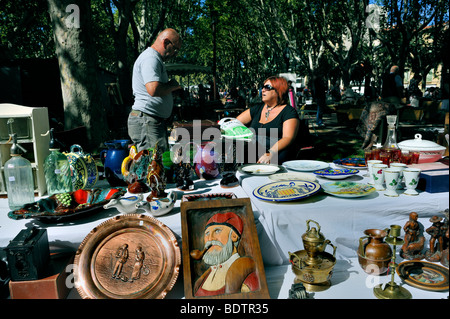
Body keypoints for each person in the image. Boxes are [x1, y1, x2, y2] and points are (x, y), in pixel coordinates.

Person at [127, 28, 182, 153]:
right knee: (152, 167)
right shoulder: (151, 58)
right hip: (146, 121)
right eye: (175, 49)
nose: (175, 53)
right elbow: (153, 89)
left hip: (150, 121)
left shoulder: (154, 58)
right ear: (166, 42)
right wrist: (173, 85)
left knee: (155, 166)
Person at [236, 76, 299, 164]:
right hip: (254, 151)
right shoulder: (257, 108)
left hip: (278, 152)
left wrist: (271, 153)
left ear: (279, 91)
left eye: (267, 87)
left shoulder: (288, 112)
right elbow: (235, 123)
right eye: (263, 87)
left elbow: (288, 138)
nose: (263, 90)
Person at [194, 212, 259, 296]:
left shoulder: (247, 275)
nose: (210, 238)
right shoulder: (201, 280)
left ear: (234, 236)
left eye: (217, 231)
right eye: (207, 233)